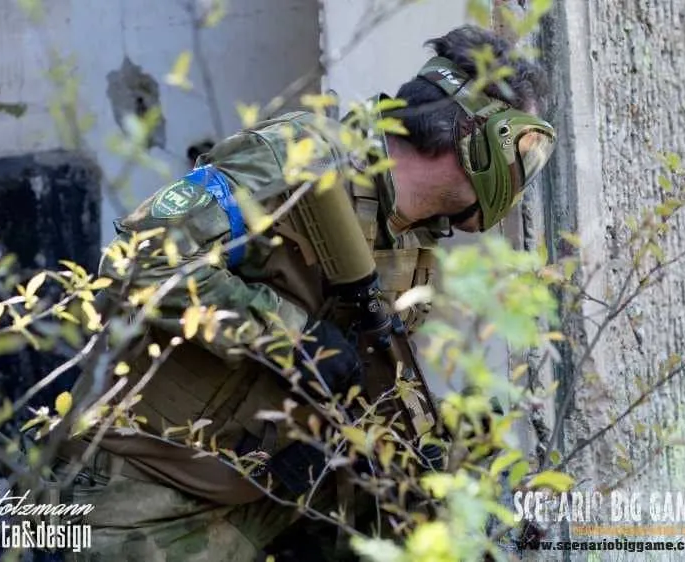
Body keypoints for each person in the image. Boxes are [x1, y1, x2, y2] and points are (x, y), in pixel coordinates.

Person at [53, 24, 556, 562]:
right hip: (136, 488)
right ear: (476, 139)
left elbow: (361, 388)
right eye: (522, 151)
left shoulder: (413, 245)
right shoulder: (303, 156)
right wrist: (293, 337)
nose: (522, 176)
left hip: (250, 495)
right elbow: (141, 256)